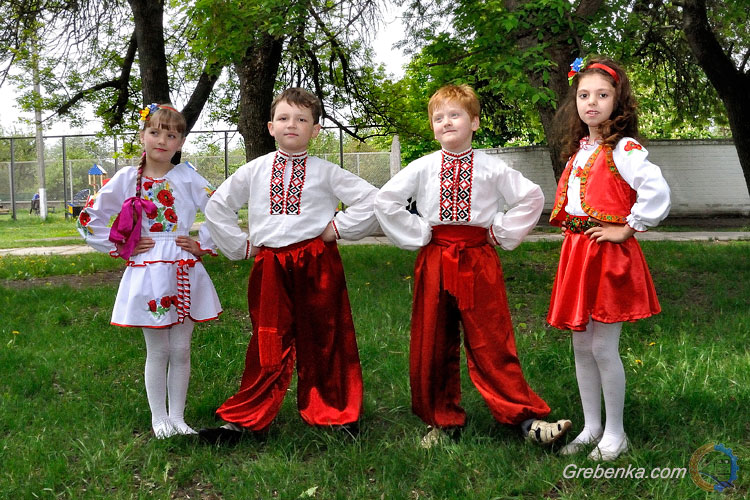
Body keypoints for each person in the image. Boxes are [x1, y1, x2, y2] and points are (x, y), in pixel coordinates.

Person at [374, 84, 571, 448]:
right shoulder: (423, 167)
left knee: (492, 339)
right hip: (435, 258)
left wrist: (499, 231)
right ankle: (442, 419)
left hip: (478, 260)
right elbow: (386, 200)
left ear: (475, 122)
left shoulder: (492, 167)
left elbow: (531, 197)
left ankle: (524, 417)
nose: (446, 122)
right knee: (433, 339)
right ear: (432, 127)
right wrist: (419, 232)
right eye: (439, 117)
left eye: (455, 115)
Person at [199, 88, 379, 444]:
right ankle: (246, 419)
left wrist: (337, 228)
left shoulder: (326, 172)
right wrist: (241, 245)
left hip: (317, 262)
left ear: (315, 130)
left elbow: (373, 199)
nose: (291, 124)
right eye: (283, 118)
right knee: (268, 339)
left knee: (325, 337)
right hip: (271, 266)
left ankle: (335, 413)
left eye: (301, 119)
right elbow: (218, 205)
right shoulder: (255, 170)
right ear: (270, 127)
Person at [548, 57, 671, 461]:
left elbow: (656, 191)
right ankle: (592, 427)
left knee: (603, 347)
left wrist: (628, 227)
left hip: (608, 255)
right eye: (584, 95)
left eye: (602, 95)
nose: (592, 102)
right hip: (579, 252)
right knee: (581, 346)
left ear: (618, 102)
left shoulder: (624, 149)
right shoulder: (580, 151)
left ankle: (616, 433)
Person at [77, 103, 222, 439]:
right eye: (154, 132)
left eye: (171, 135)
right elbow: (89, 218)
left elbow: (219, 209)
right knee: (158, 349)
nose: (162, 141)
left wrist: (203, 244)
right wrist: (121, 246)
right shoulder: (128, 178)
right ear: (142, 136)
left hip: (184, 266)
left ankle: (178, 418)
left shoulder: (187, 176)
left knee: (181, 348)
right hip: (147, 269)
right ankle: (160, 419)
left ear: (180, 142)